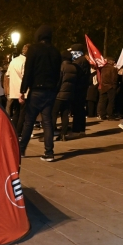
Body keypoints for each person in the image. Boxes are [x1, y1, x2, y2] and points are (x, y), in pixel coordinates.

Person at [19, 24, 62, 162]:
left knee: (29, 121)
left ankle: (21, 150)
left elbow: (28, 71)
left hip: (36, 90)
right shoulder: (55, 51)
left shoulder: (34, 49)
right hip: (49, 91)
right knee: (47, 122)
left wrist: (23, 90)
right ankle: (49, 152)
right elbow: (58, 74)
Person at [52, 51, 77, 141]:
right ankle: (63, 134)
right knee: (65, 114)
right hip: (69, 94)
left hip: (59, 94)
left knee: (53, 114)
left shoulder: (62, 67)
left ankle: (50, 134)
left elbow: (59, 81)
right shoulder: (73, 67)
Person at [6, 45, 28, 123]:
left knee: (16, 112)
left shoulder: (13, 61)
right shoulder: (25, 61)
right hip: (23, 91)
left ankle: (15, 130)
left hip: (14, 90)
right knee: (23, 113)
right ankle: (19, 131)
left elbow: (7, 75)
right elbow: (26, 76)